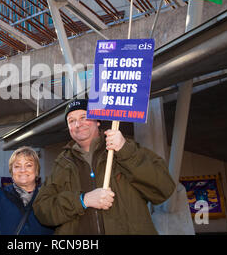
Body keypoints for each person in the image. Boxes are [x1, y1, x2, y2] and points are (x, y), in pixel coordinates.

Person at [33, 98, 176, 234]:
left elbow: (164, 187)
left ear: (97, 121)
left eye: (84, 117)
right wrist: (82, 201)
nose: (78, 124)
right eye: (71, 121)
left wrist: (124, 149)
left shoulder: (126, 149)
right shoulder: (62, 163)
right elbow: (42, 210)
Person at [0, 146, 54, 235]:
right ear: (11, 171)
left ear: (36, 170)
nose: (22, 170)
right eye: (17, 166)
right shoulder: (0, 197)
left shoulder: (48, 198)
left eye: (28, 165)